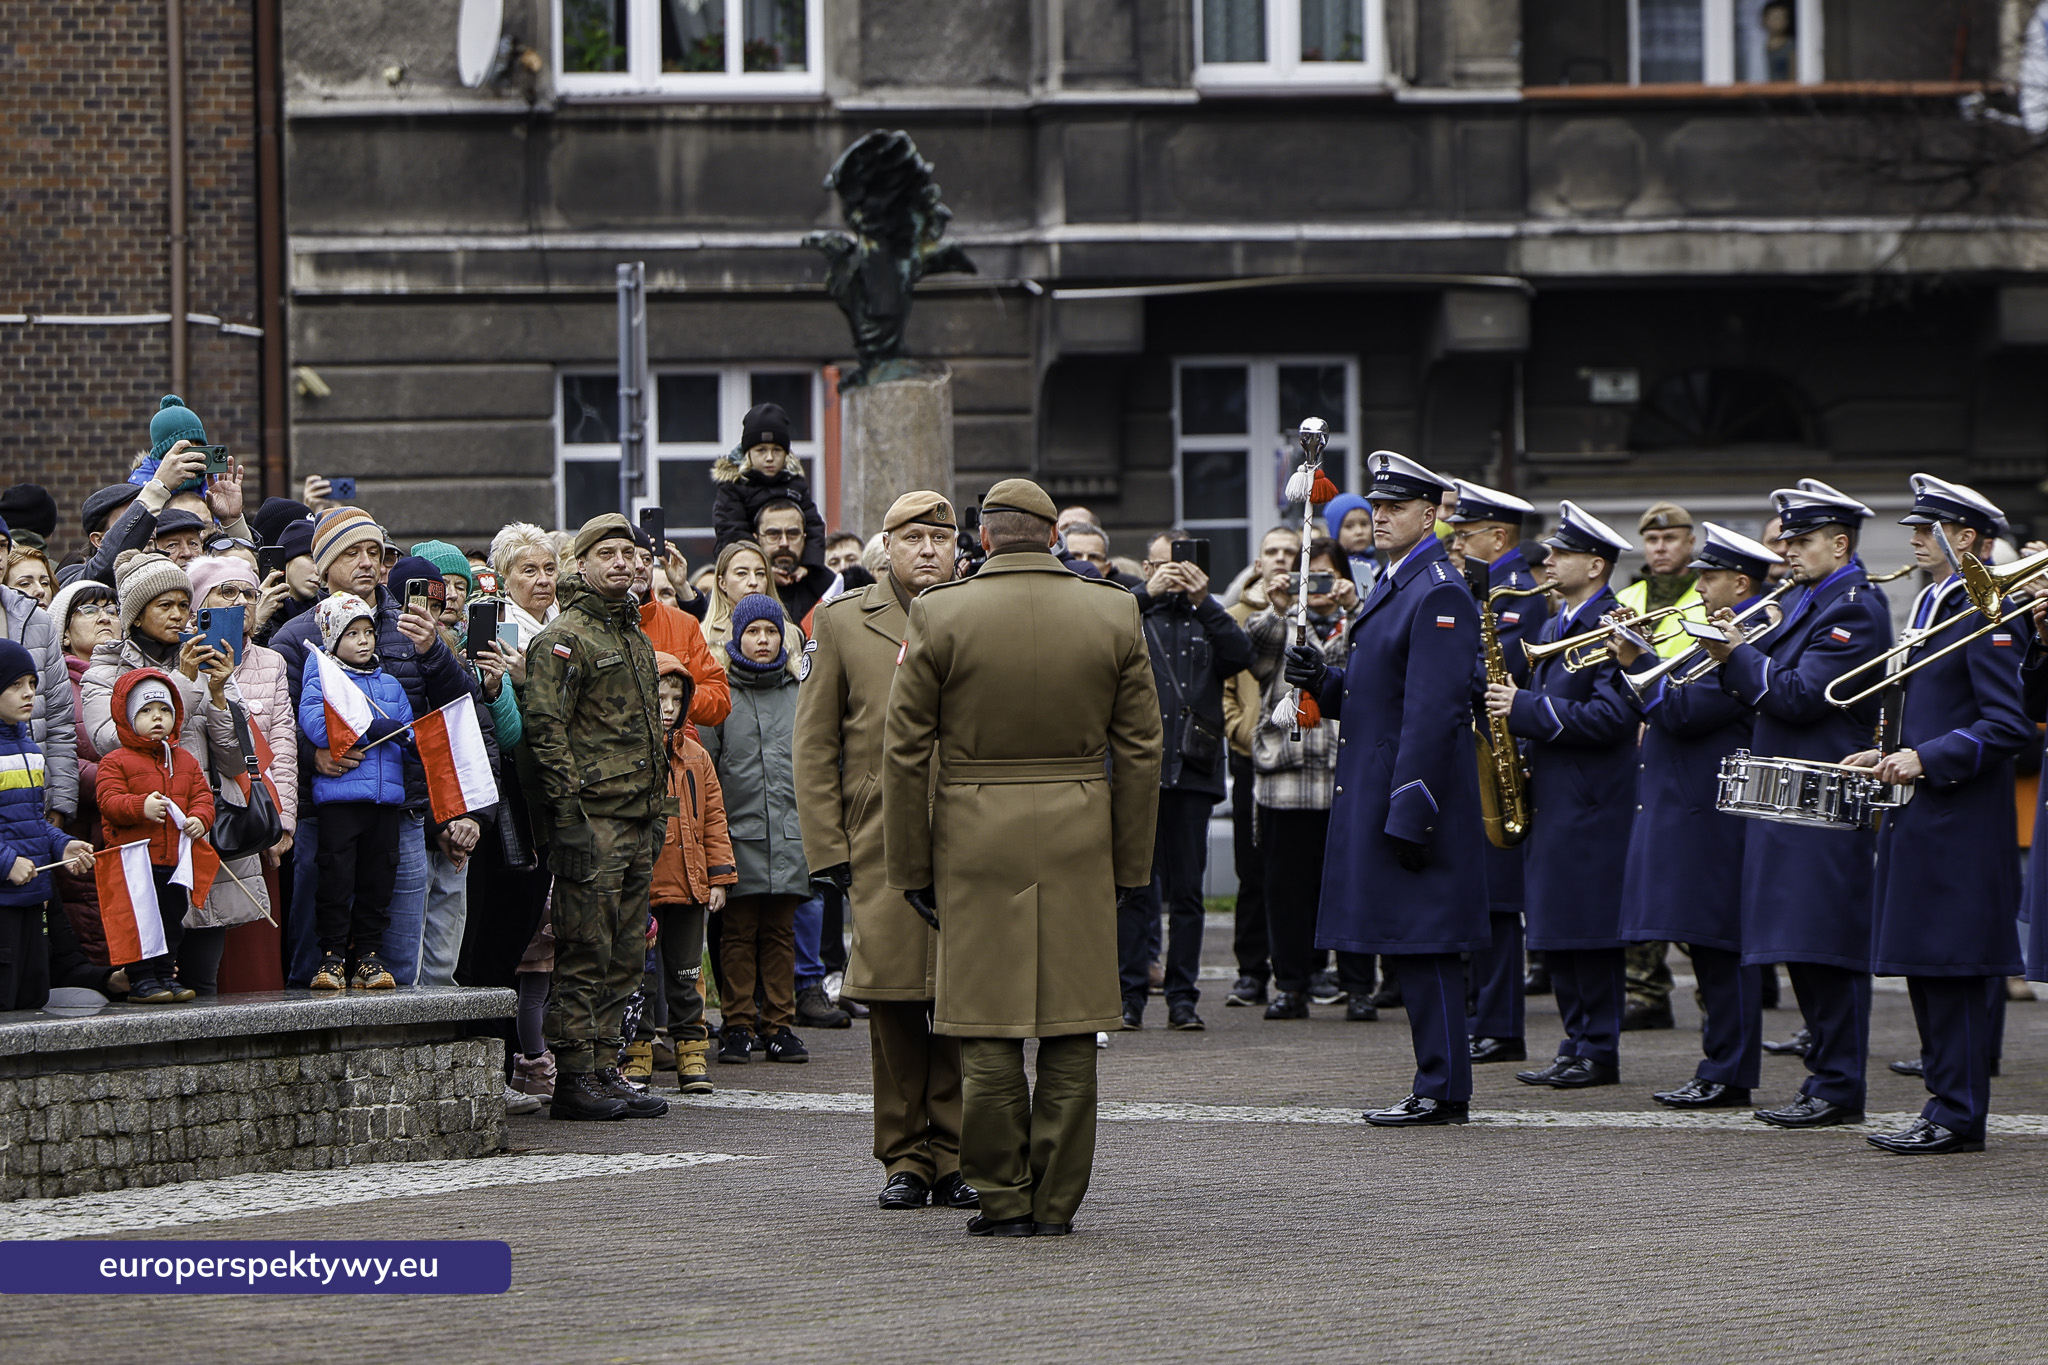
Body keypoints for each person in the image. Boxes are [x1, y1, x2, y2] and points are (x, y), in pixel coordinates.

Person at [886, 477, 1161, 1236]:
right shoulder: (1112, 608)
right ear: (1051, 536)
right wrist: (1130, 864)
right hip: (1079, 829)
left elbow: (904, 752)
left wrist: (911, 865)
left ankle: (1003, 1198)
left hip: (975, 834)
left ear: (984, 535)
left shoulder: (940, 611)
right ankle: (1057, 1201)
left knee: (989, 1025)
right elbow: (1141, 749)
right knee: (1073, 1026)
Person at [1286, 451, 1487, 1126]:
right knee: (1411, 941)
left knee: (1424, 941)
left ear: (1430, 514)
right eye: (1376, 508)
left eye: (1394, 507)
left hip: (1412, 793)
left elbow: (1433, 714)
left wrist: (1413, 806)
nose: (1379, 518)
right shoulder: (1397, 582)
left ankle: (1442, 1087)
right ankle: (1439, 1082)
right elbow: (1379, 698)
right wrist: (1321, 679)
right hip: (1386, 784)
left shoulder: (1438, 589)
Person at [796, 490, 974, 1212]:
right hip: (878, 842)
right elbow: (813, 746)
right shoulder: (842, 621)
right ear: (887, 549)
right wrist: (826, 847)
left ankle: (959, 1154)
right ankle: (905, 1155)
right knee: (897, 1002)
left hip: (968, 839)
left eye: (940, 537)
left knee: (964, 1002)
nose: (928, 550)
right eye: (913, 539)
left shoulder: (977, 612)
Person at [1695, 482, 1891, 1128]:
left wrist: (1736, 655)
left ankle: (1838, 1084)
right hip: (1789, 795)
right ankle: (1824, 1078)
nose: (1788, 550)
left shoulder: (1855, 606)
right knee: (1799, 943)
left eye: (1803, 540)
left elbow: (1803, 695)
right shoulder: (1811, 598)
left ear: (1840, 543)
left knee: (1825, 945)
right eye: (1788, 538)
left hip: (1824, 793)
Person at [1849, 476, 2029, 1154]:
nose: (1916, 538)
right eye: (1916, 528)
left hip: (1959, 818)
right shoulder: (1937, 602)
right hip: (1926, 817)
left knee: (1951, 969)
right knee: (1928, 966)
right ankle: (1944, 1105)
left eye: (1930, 528)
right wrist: (1885, 753)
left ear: (1967, 538)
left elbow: (2007, 724)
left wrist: (1928, 758)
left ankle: (1956, 1112)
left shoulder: (1981, 606)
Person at [268, 509, 490, 989]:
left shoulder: (416, 628)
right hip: (322, 812)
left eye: (375, 552)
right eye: (352, 553)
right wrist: (314, 757)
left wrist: (436, 653)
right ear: (324, 568)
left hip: (402, 810)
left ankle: (397, 1055)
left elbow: (459, 713)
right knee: (314, 952)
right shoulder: (296, 638)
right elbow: (278, 728)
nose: (367, 563)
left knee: (397, 957)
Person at [1612, 524, 1780, 1108]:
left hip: (1716, 805)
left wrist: (1638, 659)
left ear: (1740, 581)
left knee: (1721, 944)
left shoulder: (1750, 636)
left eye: (1709, 577)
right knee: (1706, 945)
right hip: (1692, 802)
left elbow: (1685, 711)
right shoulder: (1717, 631)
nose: (1699, 585)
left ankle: (1730, 1071)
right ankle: (1719, 1065)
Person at [1484, 502, 1638, 1091]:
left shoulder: (1615, 624)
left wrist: (1524, 709)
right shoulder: (1552, 624)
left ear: (1595, 565)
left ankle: (1599, 1048)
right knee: (1557, 929)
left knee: (1590, 931)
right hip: (1554, 796)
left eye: (1562, 553)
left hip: (1592, 801)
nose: (1547, 559)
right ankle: (1576, 1042)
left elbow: (1613, 716)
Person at [522, 513, 671, 1122]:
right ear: (578, 564)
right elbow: (546, 732)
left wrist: (658, 811)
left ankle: (606, 1064)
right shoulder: (565, 638)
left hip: (638, 815)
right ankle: (574, 1074)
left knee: (627, 948)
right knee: (586, 944)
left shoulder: (631, 634)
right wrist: (569, 820)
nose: (620, 563)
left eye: (627, 553)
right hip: (594, 817)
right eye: (604, 553)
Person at [81, 552, 244, 993]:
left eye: (183, 605)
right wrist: (187, 684)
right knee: (149, 936)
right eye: (164, 605)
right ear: (135, 616)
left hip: (199, 830)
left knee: (203, 975)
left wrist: (219, 694)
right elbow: (110, 743)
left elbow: (235, 761)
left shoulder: (206, 659)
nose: (178, 616)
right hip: (145, 837)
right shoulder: (104, 672)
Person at [1120, 529, 1255, 1032]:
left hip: (1193, 775)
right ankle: (1129, 995)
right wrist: (1146, 593)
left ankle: (1183, 997)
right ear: (1145, 568)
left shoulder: (1208, 619)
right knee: (1135, 889)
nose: (1171, 574)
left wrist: (1205, 600)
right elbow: (1094, 631)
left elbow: (1241, 656)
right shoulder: (1130, 614)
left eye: (1180, 566)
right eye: (1159, 566)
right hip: (1138, 776)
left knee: (1189, 895)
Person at [1245, 537, 1372, 1021]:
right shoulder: (1283, 625)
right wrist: (1277, 605)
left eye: (1326, 576)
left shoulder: (1358, 620)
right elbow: (1251, 649)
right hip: (1287, 781)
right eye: (1308, 576)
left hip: (1347, 778)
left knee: (1353, 887)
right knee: (1286, 893)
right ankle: (1291, 986)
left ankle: (1359, 986)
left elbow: (1379, 655)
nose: (1316, 587)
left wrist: (1355, 604)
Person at [1446, 480, 1547, 1065]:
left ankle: (1502, 1024)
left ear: (1499, 536)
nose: (1456, 544)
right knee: (1483, 899)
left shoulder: (1519, 599)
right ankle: (1487, 1014)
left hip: (1509, 754)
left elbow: (1496, 671)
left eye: (1466, 534)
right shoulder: (1480, 590)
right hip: (1483, 751)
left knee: (1500, 903)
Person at [700, 593, 813, 1065]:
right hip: (738, 838)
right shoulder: (722, 694)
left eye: (770, 631)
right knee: (738, 935)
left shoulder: (798, 693)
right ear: (737, 638)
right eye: (753, 632)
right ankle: (739, 1023)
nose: (763, 641)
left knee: (780, 935)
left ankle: (780, 1024)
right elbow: (707, 771)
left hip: (789, 837)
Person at [1612, 502, 1706, 1031]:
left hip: (1683, 732)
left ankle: (1711, 992)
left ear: (1689, 543)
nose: (1661, 549)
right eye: (1652, 541)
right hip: (1635, 740)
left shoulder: (1708, 596)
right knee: (1641, 866)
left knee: (1686, 869)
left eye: (1671, 539)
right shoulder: (1627, 599)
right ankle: (1645, 990)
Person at [299, 593, 415, 991]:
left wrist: (410, 739)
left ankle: (368, 954)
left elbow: (408, 727)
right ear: (333, 639)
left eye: (368, 632)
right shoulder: (323, 677)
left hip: (384, 803)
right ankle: (331, 956)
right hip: (341, 801)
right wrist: (371, 730)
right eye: (352, 634)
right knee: (335, 880)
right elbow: (318, 726)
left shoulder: (391, 683)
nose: (364, 641)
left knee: (377, 881)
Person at [96, 668, 214, 1003]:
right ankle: (140, 979)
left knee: (170, 923)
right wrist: (139, 807)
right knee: (138, 923)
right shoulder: (115, 761)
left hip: (173, 862)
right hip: (135, 863)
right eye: (146, 711)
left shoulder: (185, 761)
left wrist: (200, 819)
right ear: (128, 717)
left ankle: (165, 974)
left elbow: (203, 797)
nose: (157, 718)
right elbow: (108, 801)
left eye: (164, 710)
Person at [1219, 525, 1300, 1009]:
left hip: (1306, 765)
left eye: (1291, 551)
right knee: (1251, 871)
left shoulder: (1317, 613)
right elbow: (1226, 691)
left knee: (1298, 872)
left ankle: (1304, 971)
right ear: (1258, 562)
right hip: (1253, 756)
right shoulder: (1236, 618)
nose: (1282, 559)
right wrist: (1244, 734)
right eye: (1273, 551)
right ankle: (1251, 971)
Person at [650, 652, 735, 1095]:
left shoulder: (697, 757)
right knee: (640, 977)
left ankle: (691, 1051)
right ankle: (638, 1052)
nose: (667, 706)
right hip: (643, 886)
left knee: (686, 974)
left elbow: (715, 819)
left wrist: (719, 876)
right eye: (659, 696)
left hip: (689, 883)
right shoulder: (632, 751)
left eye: (675, 697)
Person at [0, 641, 97, 1010]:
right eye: (14, 685)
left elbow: (30, 820)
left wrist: (61, 844)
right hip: (4, 903)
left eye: (31, 683)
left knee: (31, 1000)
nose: (28, 694)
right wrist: (7, 862)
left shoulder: (27, 746)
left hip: (32, 898)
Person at [0, 548, 78, 824]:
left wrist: (60, 804)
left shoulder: (39, 622)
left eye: (0, 545)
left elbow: (59, 722)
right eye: (25, 582)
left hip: (37, 803)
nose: (39, 591)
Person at [628, 531, 731, 732]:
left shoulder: (683, 624)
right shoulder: (592, 623)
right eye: (631, 557)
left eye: (647, 559)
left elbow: (720, 699)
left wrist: (677, 698)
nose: (640, 566)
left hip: (677, 753)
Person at [712, 403, 826, 565]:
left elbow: (814, 527)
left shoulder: (795, 485)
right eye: (761, 450)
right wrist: (763, 568)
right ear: (748, 453)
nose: (770, 457)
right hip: (748, 569)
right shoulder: (734, 486)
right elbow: (731, 532)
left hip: (794, 566)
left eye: (777, 450)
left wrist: (809, 566)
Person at [753, 499, 834, 624]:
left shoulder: (828, 587)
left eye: (793, 534)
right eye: (773, 534)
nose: (784, 543)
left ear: (804, 538)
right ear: (757, 538)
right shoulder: (742, 587)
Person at [490, 522, 559, 646]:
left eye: (550, 569)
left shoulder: (570, 619)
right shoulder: (493, 627)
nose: (544, 580)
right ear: (504, 579)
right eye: (530, 571)